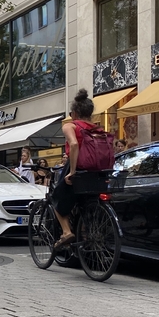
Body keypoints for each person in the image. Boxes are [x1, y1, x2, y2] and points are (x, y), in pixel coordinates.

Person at [52, 88, 101, 249]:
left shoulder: (70, 126)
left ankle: (66, 232)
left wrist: (72, 171)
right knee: (85, 202)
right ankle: (87, 233)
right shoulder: (96, 128)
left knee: (57, 199)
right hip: (96, 170)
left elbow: (73, 144)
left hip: (78, 167)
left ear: (73, 113)